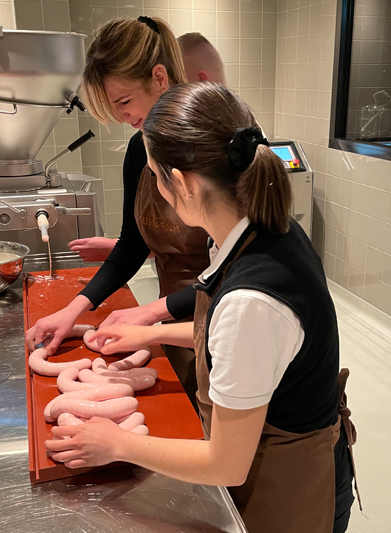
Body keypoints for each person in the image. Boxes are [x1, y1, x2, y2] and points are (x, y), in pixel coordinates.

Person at [46, 82, 356, 532]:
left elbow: (225, 463)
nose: (155, 188)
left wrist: (116, 443)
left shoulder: (251, 301)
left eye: (154, 176)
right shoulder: (264, 230)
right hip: (283, 462)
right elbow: (247, 348)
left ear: (183, 184)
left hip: (293, 490)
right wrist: (151, 332)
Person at [27, 16, 214, 394]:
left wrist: (148, 313)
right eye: (115, 108)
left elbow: (237, 270)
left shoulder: (213, 142)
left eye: (125, 102)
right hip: (175, 311)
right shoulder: (140, 148)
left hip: (224, 314)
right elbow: (133, 245)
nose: (122, 117)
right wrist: (73, 310)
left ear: (159, 78)